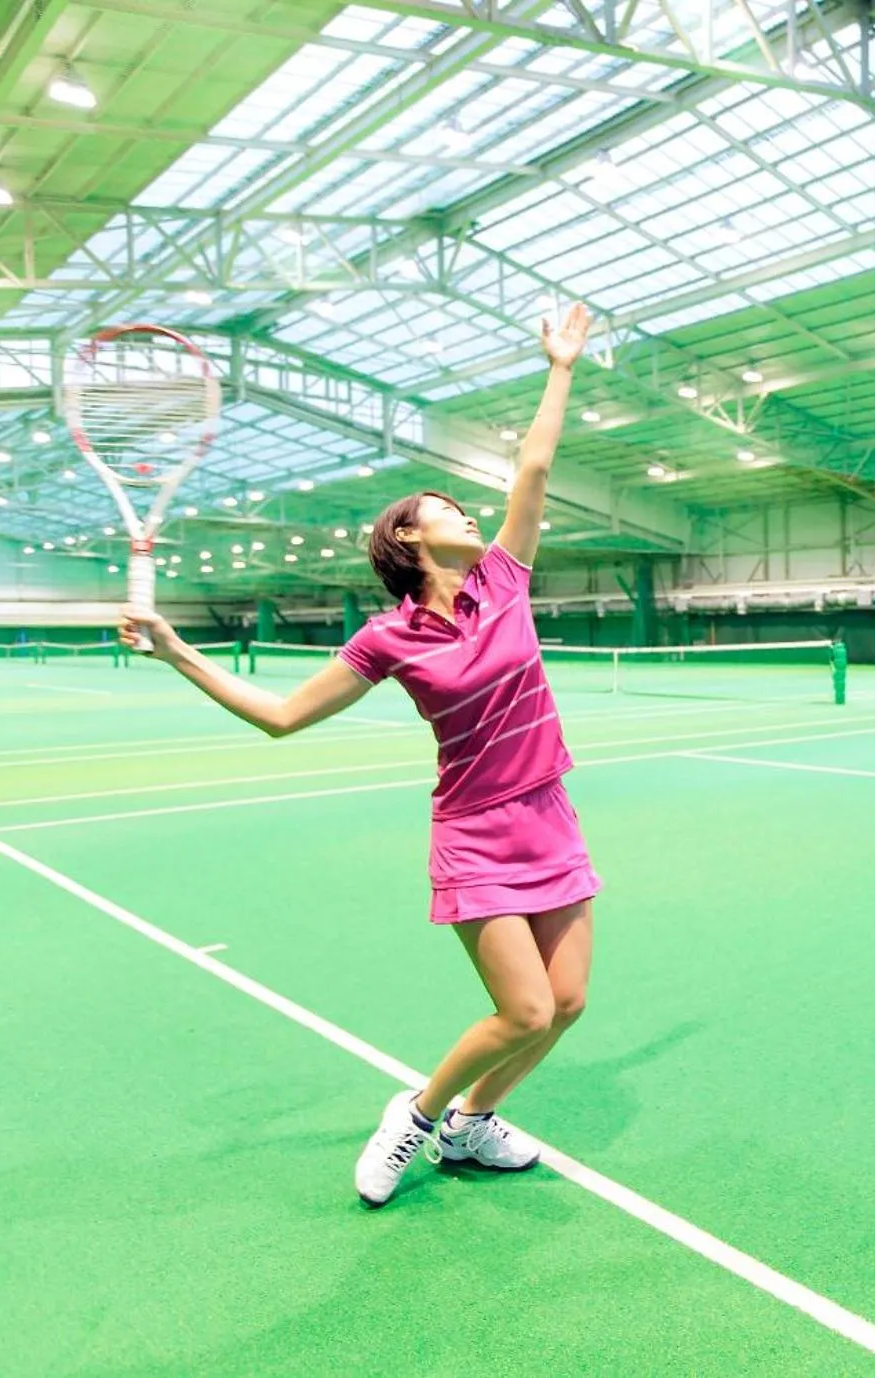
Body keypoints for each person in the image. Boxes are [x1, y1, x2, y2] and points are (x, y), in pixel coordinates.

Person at [119, 306, 598, 1208]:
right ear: (408, 538)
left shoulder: (504, 581)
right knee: (524, 1010)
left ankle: (472, 1125)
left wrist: (560, 367)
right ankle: (415, 1115)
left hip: (549, 816)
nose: (469, 514)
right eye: (446, 509)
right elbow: (282, 717)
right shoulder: (386, 638)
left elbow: (533, 468)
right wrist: (178, 651)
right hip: (476, 833)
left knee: (566, 1004)